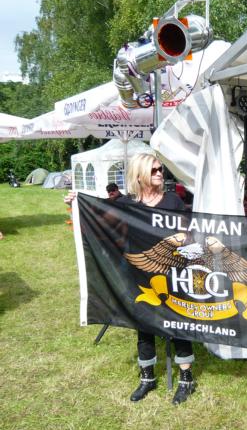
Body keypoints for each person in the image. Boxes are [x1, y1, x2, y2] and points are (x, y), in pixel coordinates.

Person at [65, 154, 197, 405]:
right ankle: (147, 377)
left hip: (172, 272)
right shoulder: (125, 204)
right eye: (154, 170)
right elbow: (97, 224)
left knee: (178, 322)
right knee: (143, 324)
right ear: (139, 175)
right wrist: (75, 205)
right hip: (138, 273)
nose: (159, 173)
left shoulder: (173, 200)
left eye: (160, 169)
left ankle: (186, 379)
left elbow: (187, 234)